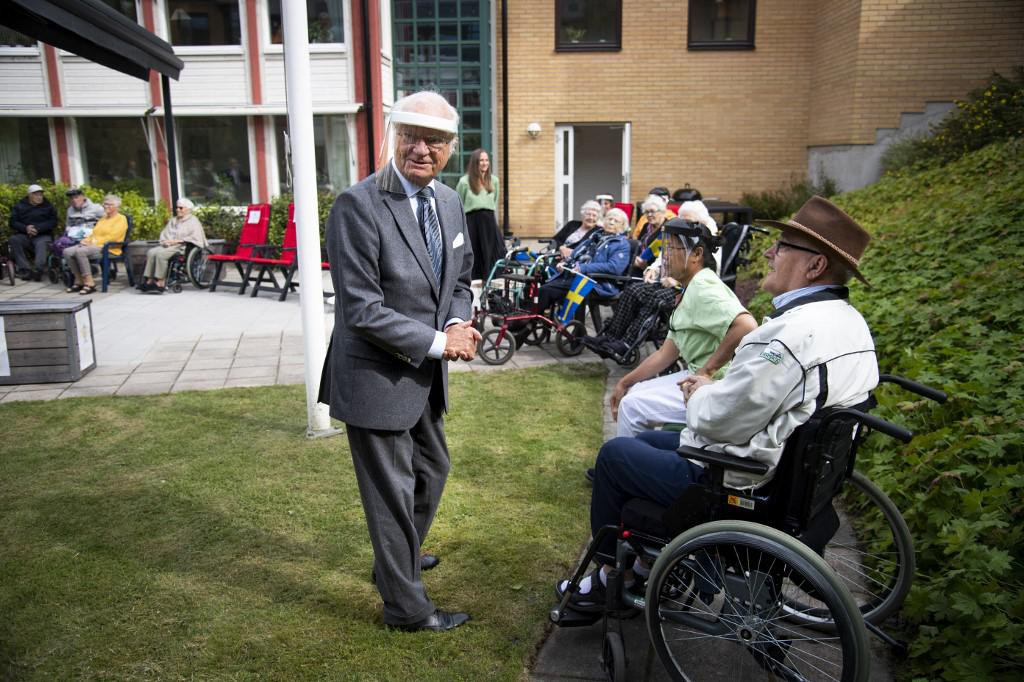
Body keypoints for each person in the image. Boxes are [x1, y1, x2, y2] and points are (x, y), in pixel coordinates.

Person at [559, 196, 879, 608]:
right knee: (646, 445)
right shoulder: (849, 323)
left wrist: (700, 388)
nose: (768, 252)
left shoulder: (790, 336)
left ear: (815, 265)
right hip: (787, 472)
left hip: (739, 480)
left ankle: (608, 576)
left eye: (782, 246)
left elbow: (716, 421)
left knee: (616, 456)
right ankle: (641, 566)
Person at [319, 90, 479, 633]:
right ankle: (406, 609)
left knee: (432, 472)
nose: (421, 148)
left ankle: (395, 562)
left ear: (451, 149)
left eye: (434, 140)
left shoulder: (451, 202)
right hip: (373, 375)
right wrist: (441, 343)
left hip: (423, 378)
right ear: (392, 135)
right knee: (390, 497)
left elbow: (459, 278)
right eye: (410, 134)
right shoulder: (358, 205)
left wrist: (457, 321)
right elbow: (361, 310)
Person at [606, 218, 756, 438]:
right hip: (698, 377)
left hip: (718, 387)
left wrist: (707, 371)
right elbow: (666, 353)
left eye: (670, 248)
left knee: (631, 405)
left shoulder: (703, 287)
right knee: (634, 391)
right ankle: (635, 455)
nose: (664, 255)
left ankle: (622, 463)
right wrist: (624, 382)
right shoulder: (689, 289)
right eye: (663, 248)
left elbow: (747, 324)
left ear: (696, 254)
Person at [582, 200, 720, 358]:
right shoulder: (681, 235)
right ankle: (610, 338)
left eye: (688, 221)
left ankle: (626, 344)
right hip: (667, 282)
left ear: (700, 221)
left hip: (690, 288)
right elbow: (662, 258)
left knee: (656, 298)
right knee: (633, 290)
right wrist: (653, 269)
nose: (684, 225)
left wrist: (678, 281)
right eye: (682, 220)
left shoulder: (710, 240)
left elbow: (712, 272)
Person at [537, 206, 631, 316]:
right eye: (609, 219)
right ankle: (536, 320)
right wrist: (565, 264)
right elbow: (576, 253)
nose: (611, 222)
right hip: (579, 277)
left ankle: (528, 322)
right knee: (543, 287)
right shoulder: (595, 236)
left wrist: (583, 268)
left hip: (599, 284)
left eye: (616, 221)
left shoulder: (621, 244)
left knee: (546, 290)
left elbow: (614, 267)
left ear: (622, 226)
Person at [62, 194, 129, 294]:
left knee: (80, 251)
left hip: (109, 248)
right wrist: (86, 240)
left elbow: (114, 237)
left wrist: (94, 243)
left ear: (115, 207)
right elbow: (94, 233)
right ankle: (79, 280)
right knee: (67, 251)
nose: (105, 206)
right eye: (104, 204)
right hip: (94, 245)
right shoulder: (103, 219)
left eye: (108, 204)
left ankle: (89, 283)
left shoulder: (121, 219)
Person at [141, 198, 207, 294]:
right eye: (177, 208)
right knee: (151, 252)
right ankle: (150, 280)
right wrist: (165, 241)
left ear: (188, 209)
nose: (178, 210)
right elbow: (165, 233)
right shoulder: (173, 220)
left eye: (181, 208)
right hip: (169, 245)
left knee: (161, 254)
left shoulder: (193, 221)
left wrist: (178, 241)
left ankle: (160, 281)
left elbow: (196, 237)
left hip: (183, 247)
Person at [456, 148, 503, 281]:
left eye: (486, 160)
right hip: (472, 223)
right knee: (475, 256)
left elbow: (495, 201)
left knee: (492, 256)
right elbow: (459, 203)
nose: (484, 163)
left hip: (489, 223)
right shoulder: (464, 182)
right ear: (475, 162)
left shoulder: (494, 180)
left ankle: (490, 289)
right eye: (481, 160)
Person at [7, 184, 57, 281]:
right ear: (29, 195)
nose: (39, 197)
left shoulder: (48, 206)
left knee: (41, 244)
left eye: (41, 195)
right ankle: (25, 270)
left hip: (42, 234)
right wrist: (26, 228)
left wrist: (37, 229)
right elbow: (12, 222)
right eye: (36, 195)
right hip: (24, 234)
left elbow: (53, 221)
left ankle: (39, 270)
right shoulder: (19, 206)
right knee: (14, 240)